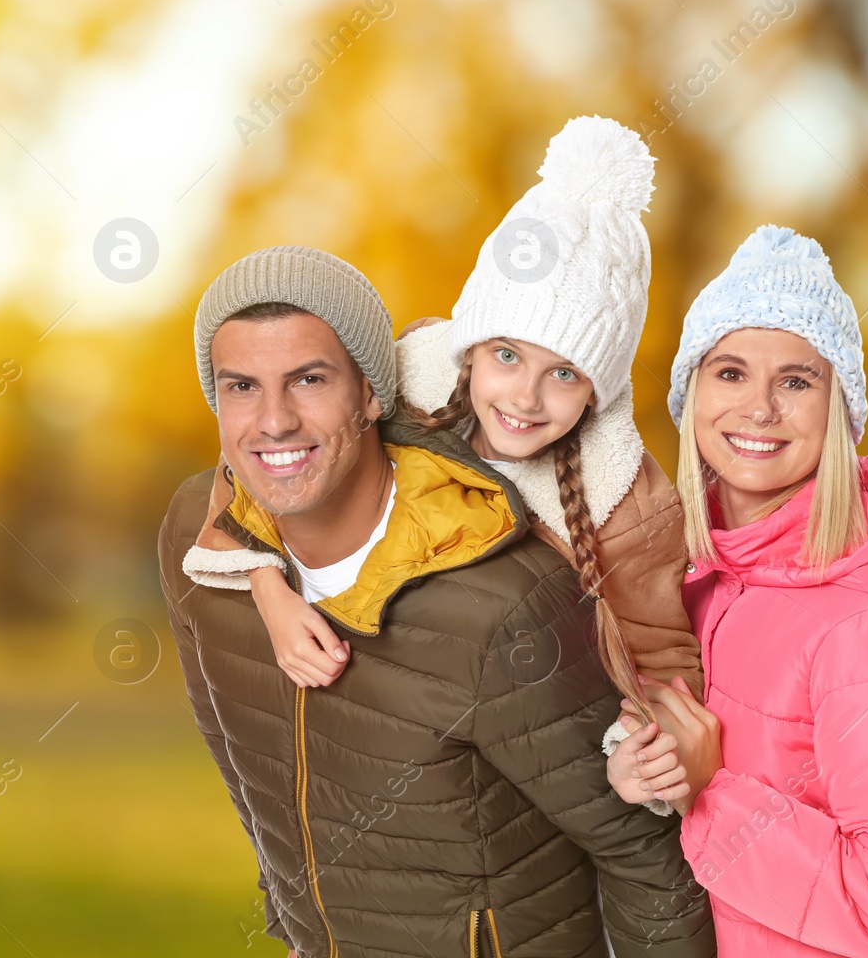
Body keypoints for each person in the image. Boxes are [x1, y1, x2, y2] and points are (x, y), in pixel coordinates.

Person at [159, 244, 716, 958]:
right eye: (241, 387)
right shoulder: (198, 551)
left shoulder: (502, 602)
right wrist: (299, 923)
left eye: (310, 380)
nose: (274, 420)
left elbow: (641, 852)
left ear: (370, 394)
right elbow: (242, 758)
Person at [182, 115, 702, 723]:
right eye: (506, 356)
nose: (526, 398)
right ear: (471, 349)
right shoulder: (402, 387)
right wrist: (270, 587)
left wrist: (654, 736)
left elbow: (665, 654)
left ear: (598, 390)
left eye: (565, 374)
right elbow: (265, 455)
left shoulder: (627, 504)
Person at [606, 225, 868, 958]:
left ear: (837, 408)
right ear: (691, 396)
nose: (759, 408)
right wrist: (644, 772)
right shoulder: (700, 579)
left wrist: (711, 791)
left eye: (795, 380)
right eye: (729, 372)